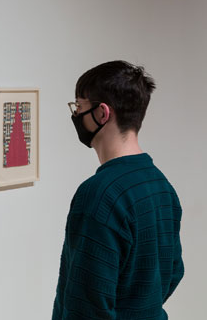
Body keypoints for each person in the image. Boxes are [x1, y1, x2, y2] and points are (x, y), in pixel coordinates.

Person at [53, 60, 184, 319]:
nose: (76, 115)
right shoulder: (161, 186)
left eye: (79, 106)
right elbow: (173, 271)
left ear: (102, 113)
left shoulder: (99, 194)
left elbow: (85, 304)